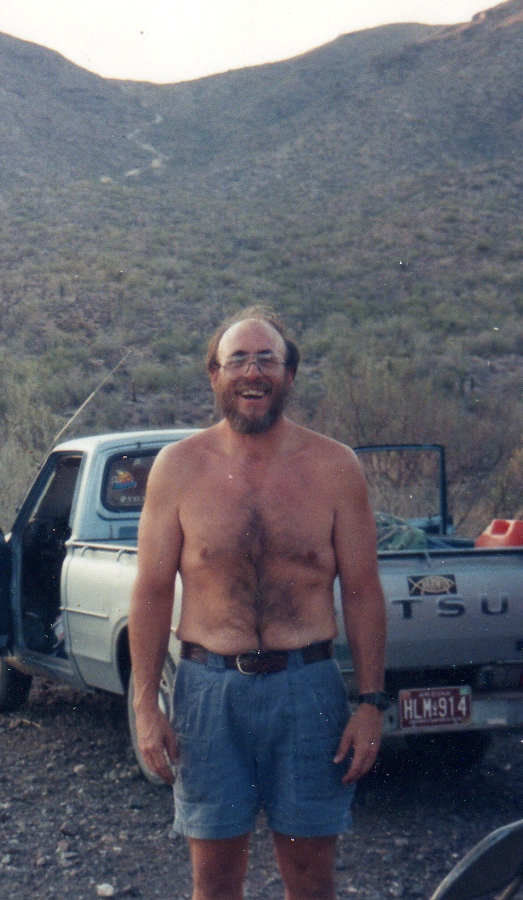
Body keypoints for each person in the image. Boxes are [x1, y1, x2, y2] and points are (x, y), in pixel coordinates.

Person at [129, 306, 388, 900]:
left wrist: (371, 702)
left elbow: (364, 589)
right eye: (238, 359)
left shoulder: (335, 466)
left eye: (266, 358)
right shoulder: (178, 468)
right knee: (215, 880)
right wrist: (147, 705)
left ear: (289, 373)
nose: (253, 371)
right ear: (213, 375)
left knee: (310, 878)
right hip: (207, 690)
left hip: (309, 689)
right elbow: (149, 589)